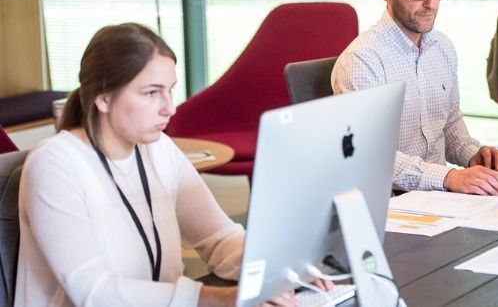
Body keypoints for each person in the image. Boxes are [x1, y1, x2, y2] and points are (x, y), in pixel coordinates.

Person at [15, 23, 327, 307]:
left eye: (170, 90)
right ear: (103, 98)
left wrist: (284, 269)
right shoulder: (55, 164)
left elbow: (219, 238)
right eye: (151, 93)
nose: (169, 108)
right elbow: (94, 293)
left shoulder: (158, 149)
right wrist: (221, 300)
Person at [332, 0, 498, 196]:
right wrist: (448, 177)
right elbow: (370, 155)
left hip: (440, 198)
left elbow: (449, 124)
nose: (431, 4)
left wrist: (474, 155)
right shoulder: (362, 61)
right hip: (393, 204)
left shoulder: (442, 48)